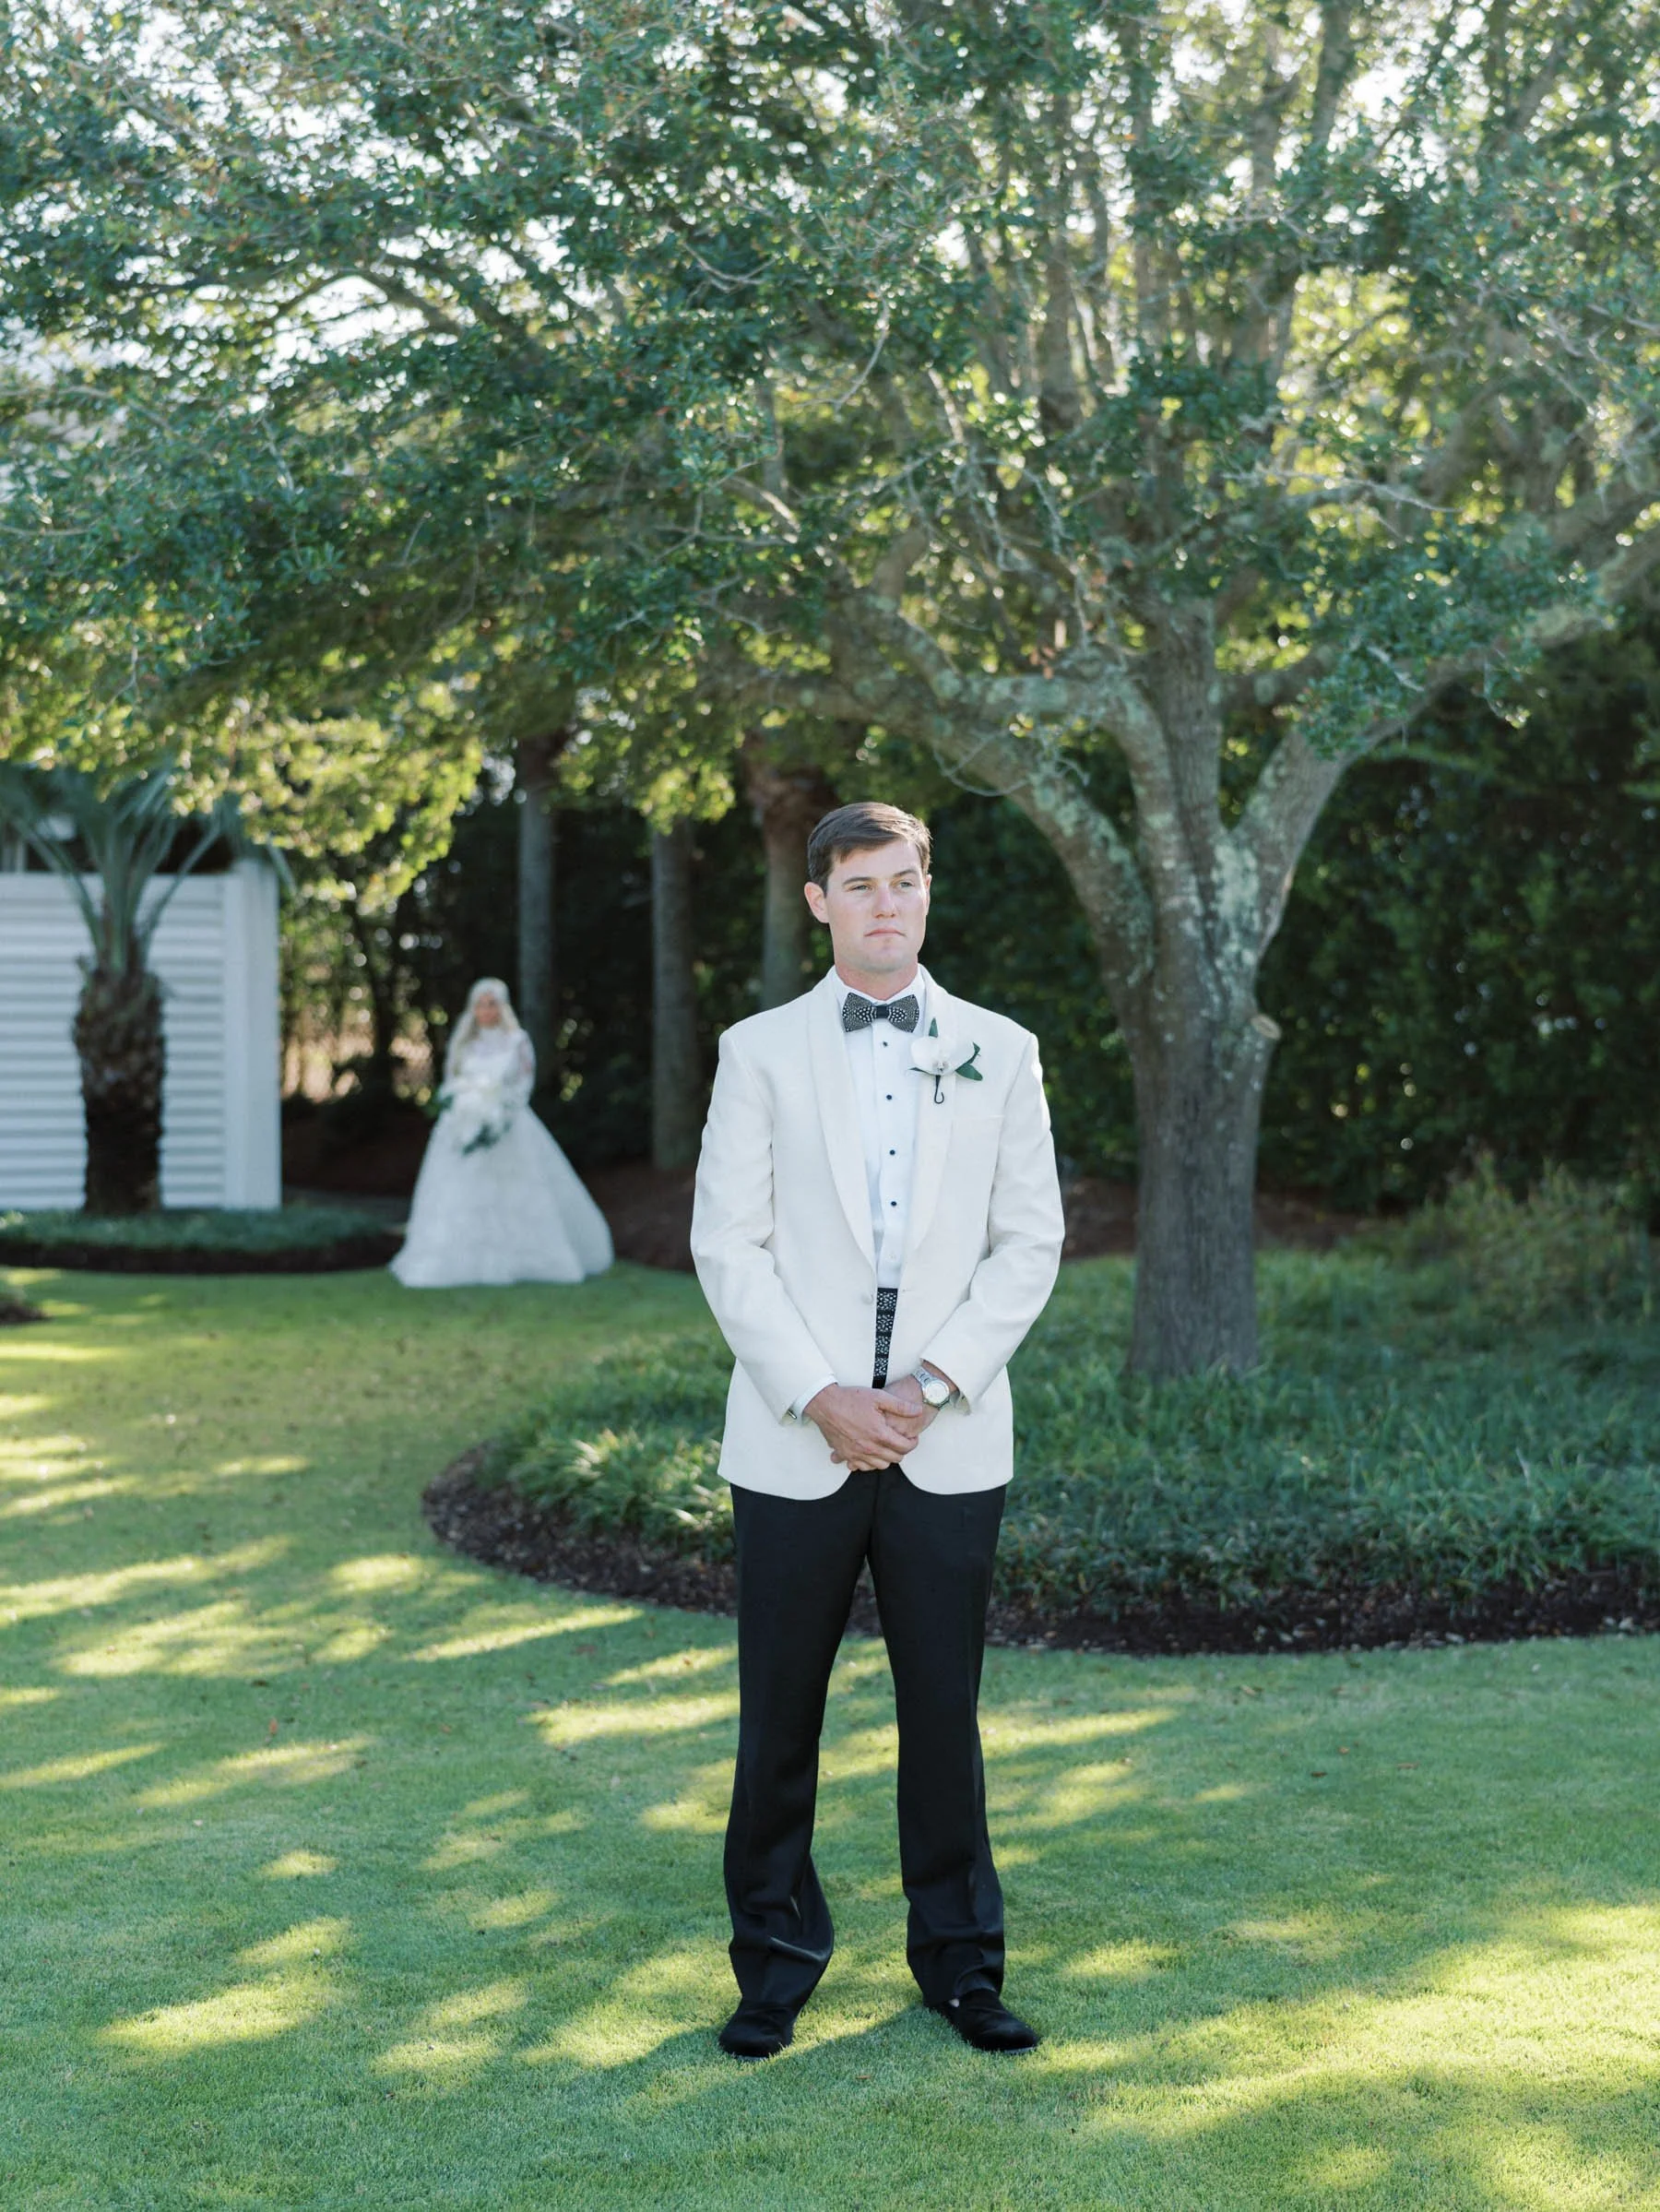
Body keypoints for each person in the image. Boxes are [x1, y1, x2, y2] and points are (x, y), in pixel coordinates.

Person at [691, 801, 1065, 2061]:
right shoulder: (757, 1052)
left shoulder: (1000, 1050)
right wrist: (824, 1393)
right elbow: (725, 1244)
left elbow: (1031, 1243)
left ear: (925, 890)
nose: (886, 905)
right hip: (798, 1435)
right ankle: (774, 1963)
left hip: (947, 1435)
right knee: (778, 1710)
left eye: (904, 882)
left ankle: (961, 1964)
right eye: (860, 885)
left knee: (944, 1712)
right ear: (819, 902)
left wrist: (931, 1384)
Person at [391, 978, 613, 1289]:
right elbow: (453, 1080)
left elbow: (524, 1081)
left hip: (508, 1123)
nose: (486, 1010)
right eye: (480, 1004)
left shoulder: (517, 1041)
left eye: (491, 1003)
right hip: (464, 1125)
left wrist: (500, 1109)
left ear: (502, 1006)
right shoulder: (464, 1043)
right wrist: (467, 1107)